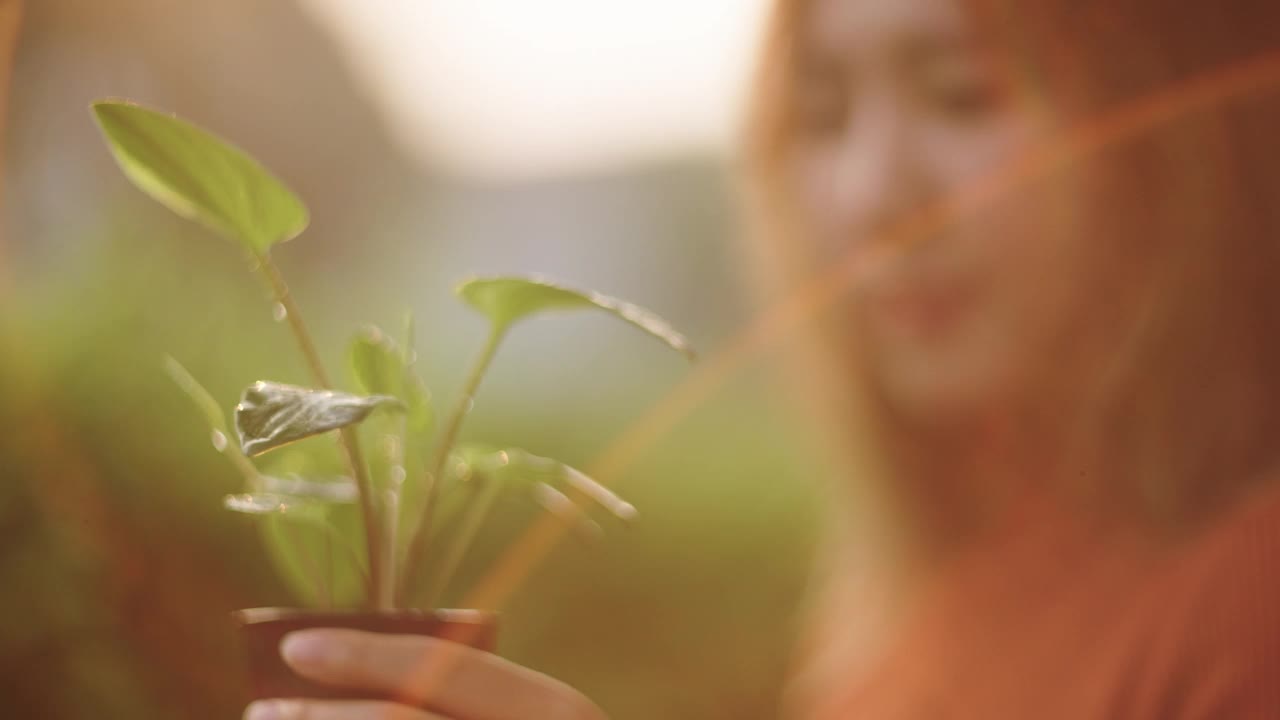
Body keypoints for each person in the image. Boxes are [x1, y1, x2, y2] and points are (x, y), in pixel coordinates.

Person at [243, 0, 1280, 718]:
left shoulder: (1241, 611)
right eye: (821, 114)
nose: (874, 195)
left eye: (964, 93)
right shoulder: (908, 584)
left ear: (1165, 135)